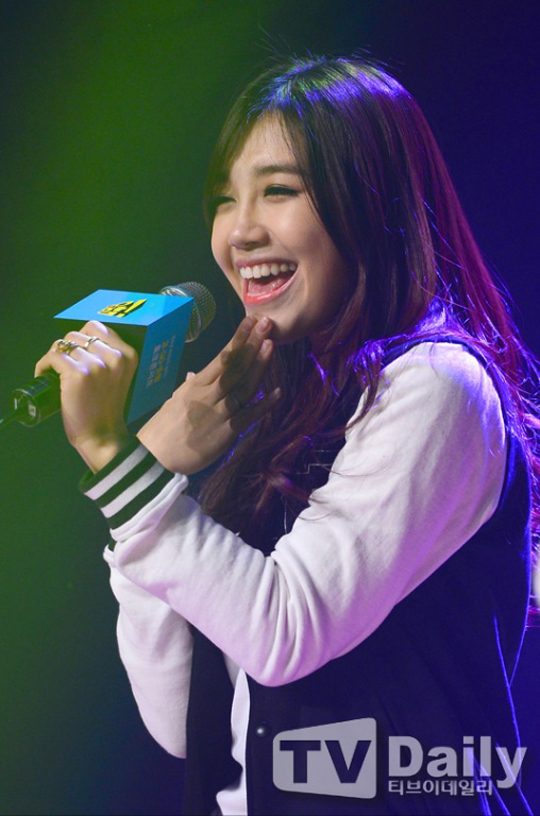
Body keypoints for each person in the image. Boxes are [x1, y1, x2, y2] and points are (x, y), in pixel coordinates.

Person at [35, 55, 538, 815]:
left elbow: (283, 632)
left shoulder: (438, 385)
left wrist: (117, 460)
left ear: (368, 201)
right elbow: (184, 720)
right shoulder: (280, 413)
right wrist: (151, 474)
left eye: (278, 190)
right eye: (223, 199)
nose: (240, 231)